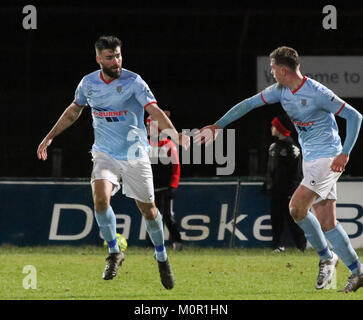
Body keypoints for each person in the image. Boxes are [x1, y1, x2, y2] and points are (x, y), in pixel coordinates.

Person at [195, 46, 363, 292]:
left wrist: (344, 153)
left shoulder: (317, 92)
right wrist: (218, 126)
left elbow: (355, 116)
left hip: (328, 158)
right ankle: (357, 271)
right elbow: (248, 104)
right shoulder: (280, 91)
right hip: (311, 159)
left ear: (283, 70)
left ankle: (327, 257)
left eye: (273, 68)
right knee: (327, 221)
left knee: (296, 208)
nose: (271, 72)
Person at [37, 35, 190, 290]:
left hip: (135, 156)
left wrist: (174, 134)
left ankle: (162, 257)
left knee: (149, 212)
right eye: (110, 57)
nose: (116, 61)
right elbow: (74, 111)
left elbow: (154, 110)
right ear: (98, 59)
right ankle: (114, 252)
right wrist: (50, 136)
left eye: (118, 55)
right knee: (100, 199)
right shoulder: (88, 84)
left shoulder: (134, 82)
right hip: (104, 154)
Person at [264, 113, 306, 253]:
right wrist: (267, 185)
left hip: (289, 191)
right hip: (275, 191)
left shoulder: (292, 148)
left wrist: (293, 189)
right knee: (276, 219)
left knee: (293, 220)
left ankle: (301, 246)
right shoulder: (272, 147)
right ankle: (277, 246)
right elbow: (270, 170)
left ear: (279, 128)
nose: (271, 128)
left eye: (274, 126)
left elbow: (297, 172)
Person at [146, 111, 183, 251]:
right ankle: (152, 245)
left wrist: (173, 186)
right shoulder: (146, 144)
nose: (147, 128)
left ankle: (177, 242)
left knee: (167, 216)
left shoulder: (168, 144)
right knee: (152, 216)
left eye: (150, 126)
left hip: (165, 188)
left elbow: (176, 167)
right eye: (147, 126)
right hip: (151, 188)